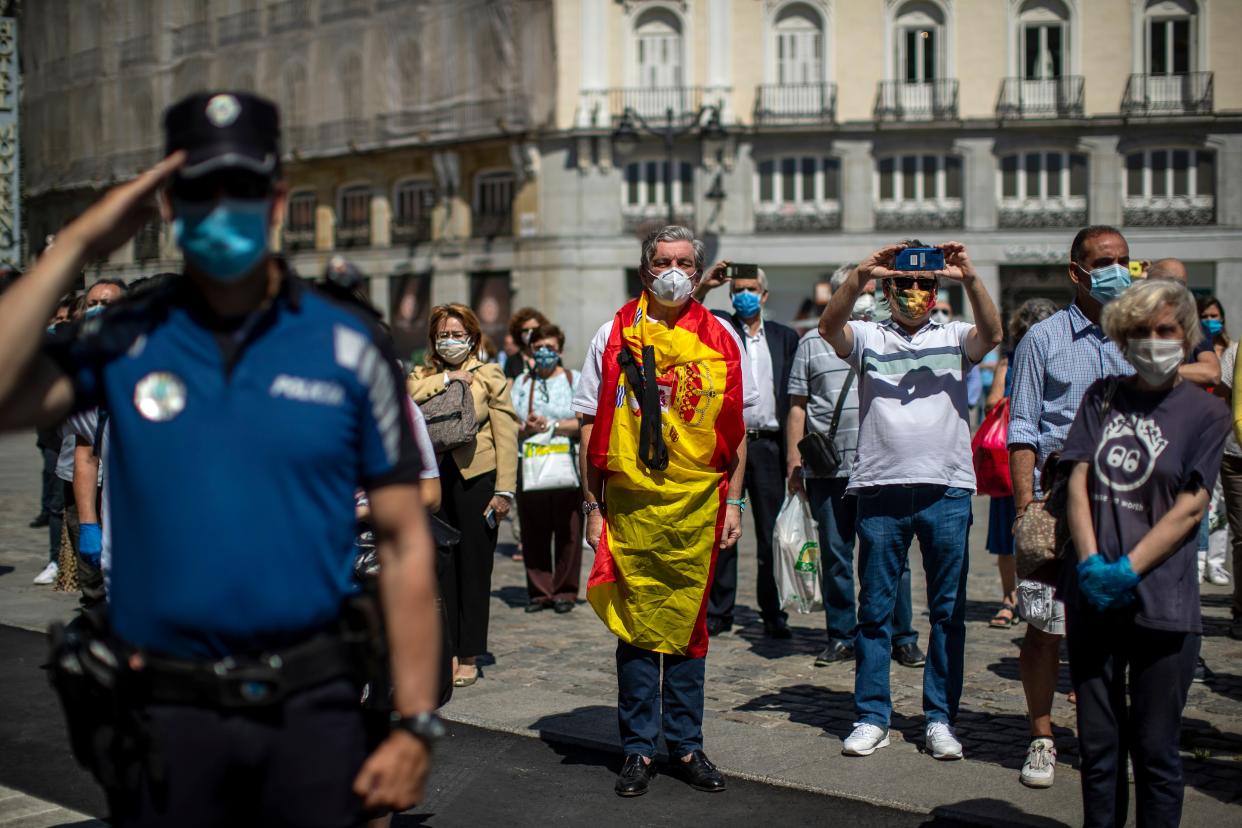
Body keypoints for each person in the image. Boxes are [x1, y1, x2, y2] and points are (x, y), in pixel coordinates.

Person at [0, 91, 442, 825]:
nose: (222, 207)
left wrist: (416, 723)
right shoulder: (129, 336)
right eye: (200, 190)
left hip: (313, 708)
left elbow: (403, 542)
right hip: (165, 716)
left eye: (242, 188)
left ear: (276, 201)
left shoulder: (346, 345)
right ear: (168, 204)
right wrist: (80, 240)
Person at [574, 225, 757, 797]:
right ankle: (637, 748)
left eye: (682, 261)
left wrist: (733, 502)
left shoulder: (722, 336)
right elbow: (588, 425)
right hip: (630, 506)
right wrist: (591, 504)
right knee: (635, 628)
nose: (672, 270)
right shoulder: (614, 333)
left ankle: (685, 743)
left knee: (688, 626)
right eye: (661, 261)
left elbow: (737, 432)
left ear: (698, 273)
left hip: (697, 505)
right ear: (644, 270)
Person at [818, 241, 1002, 761]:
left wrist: (970, 276)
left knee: (946, 612)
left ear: (936, 290)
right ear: (889, 290)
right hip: (879, 489)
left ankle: (939, 717)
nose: (915, 293)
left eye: (924, 285)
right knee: (874, 612)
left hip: (945, 489)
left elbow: (992, 334)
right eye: (904, 284)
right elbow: (830, 329)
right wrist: (860, 275)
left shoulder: (953, 334)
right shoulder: (870, 335)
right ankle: (871, 715)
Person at [1062, 278, 1230, 828]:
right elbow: (1079, 480)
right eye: (1140, 331)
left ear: (1185, 335)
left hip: (1162, 604)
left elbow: (1191, 506)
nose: (1152, 341)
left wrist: (1128, 570)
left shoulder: (1206, 414)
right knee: (1099, 750)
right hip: (1093, 600)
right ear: (1121, 336)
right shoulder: (1102, 396)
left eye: (1164, 330)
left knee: (1156, 754)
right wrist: (1090, 565)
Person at [1007, 225, 1135, 789]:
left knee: (1116, 628)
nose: (1116, 271)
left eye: (1123, 261)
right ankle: (1041, 737)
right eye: (1104, 262)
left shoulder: (1142, 333)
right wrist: (1025, 506)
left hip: (1127, 503)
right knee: (1044, 625)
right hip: (1057, 502)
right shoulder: (1044, 340)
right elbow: (1023, 428)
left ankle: (1102, 735)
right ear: (1076, 271)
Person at [785, 264, 924, 669]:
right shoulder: (811, 342)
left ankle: (902, 636)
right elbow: (798, 404)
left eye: (866, 288)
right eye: (853, 288)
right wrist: (794, 459)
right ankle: (842, 635)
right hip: (828, 467)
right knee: (836, 556)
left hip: (883, 465)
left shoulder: (892, 337)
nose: (863, 296)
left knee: (891, 557)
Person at [408, 303, 520, 688]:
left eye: (458, 334)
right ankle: (447, 648)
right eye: (444, 334)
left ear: (472, 336)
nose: (451, 341)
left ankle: (469, 652)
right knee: (439, 568)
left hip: (477, 480)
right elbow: (408, 394)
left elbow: (506, 433)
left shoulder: (489, 374)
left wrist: (504, 490)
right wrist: (448, 380)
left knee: (473, 568)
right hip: (433, 481)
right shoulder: (422, 375)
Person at [694, 262, 798, 638]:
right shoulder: (720, 326)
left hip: (769, 446)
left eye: (752, 288)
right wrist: (707, 284)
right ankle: (720, 611)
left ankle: (773, 612)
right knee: (723, 528)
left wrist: (793, 456)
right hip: (728, 445)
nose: (745, 295)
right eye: (738, 289)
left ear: (764, 295)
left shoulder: (785, 337)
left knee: (771, 534)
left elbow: (794, 397)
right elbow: (689, 311)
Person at [984, 298, 1057, 630]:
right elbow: (992, 404)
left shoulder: (1060, 353)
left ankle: (1043, 600)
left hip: (1050, 459)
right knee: (1005, 537)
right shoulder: (1010, 360)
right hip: (1010, 459)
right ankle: (1009, 599)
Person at [509, 322, 583, 613]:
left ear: (560, 350)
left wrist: (552, 425)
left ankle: (565, 591)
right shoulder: (521, 383)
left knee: (569, 531)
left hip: (566, 465)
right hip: (530, 466)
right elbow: (508, 421)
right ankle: (540, 591)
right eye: (538, 348)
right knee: (533, 530)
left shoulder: (572, 379)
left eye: (549, 348)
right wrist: (524, 427)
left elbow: (583, 421)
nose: (543, 353)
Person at [31, 297, 74, 532]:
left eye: (67, 319)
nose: (62, 324)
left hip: (78, 440)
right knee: (51, 476)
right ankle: (47, 511)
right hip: (51, 434)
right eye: (58, 319)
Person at [1146, 257, 1220, 388]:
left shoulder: (1193, 326)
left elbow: (1212, 373)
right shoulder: (1134, 324)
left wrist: (1156, 372)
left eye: (1181, 284)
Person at [504, 306, 551, 380]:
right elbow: (509, 387)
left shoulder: (550, 356)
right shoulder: (512, 361)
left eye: (534, 329)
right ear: (518, 332)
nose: (530, 333)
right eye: (526, 330)